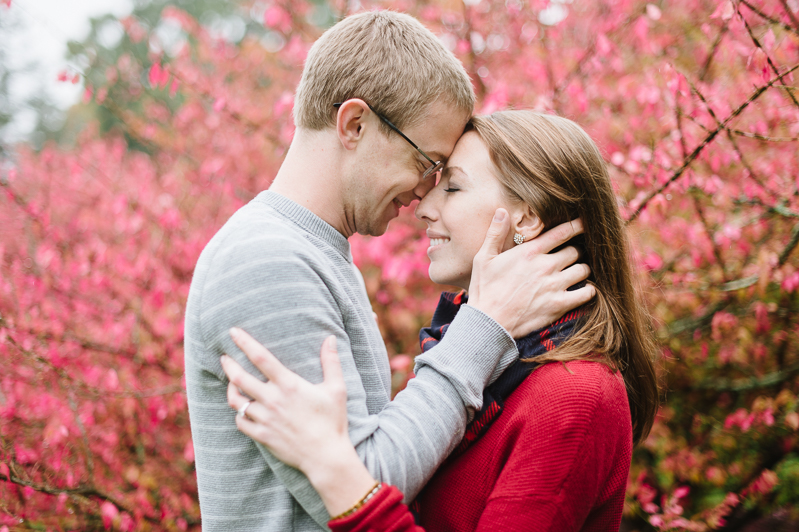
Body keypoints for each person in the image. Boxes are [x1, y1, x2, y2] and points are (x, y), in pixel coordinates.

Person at [184, 11, 594, 531]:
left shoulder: (315, 254)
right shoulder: (267, 263)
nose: (425, 192)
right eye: (426, 161)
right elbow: (362, 482)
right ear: (355, 125)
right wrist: (482, 329)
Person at [221, 111, 660, 531]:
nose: (422, 206)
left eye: (452, 189)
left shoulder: (575, 396)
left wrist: (334, 471)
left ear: (526, 216)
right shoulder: (491, 365)